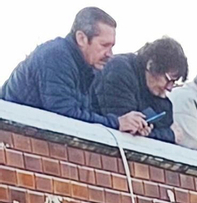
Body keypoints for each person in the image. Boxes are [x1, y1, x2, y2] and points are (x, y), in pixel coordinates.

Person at [3, 9, 150, 131]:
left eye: (112, 46)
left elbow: (89, 116)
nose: (110, 54)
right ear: (81, 38)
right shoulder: (56, 56)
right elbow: (64, 116)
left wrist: (130, 126)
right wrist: (117, 123)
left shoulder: (89, 68)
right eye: (104, 45)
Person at [93, 35, 186, 141]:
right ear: (151, 65)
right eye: (168, 79)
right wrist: (170, 135)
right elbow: (127, 130)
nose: (169, 88)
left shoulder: (157, 93)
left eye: (174, 83)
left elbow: (162, 126)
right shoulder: (119, 71)